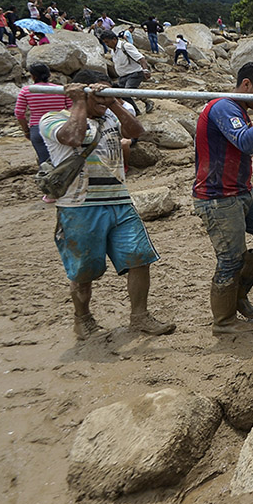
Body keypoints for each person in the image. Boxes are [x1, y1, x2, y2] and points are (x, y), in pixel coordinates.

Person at [39, 71, 175, 340]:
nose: (102, 98)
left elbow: (137, 132)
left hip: (119, 201)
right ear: (82, 93)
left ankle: (139, 317)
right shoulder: (52, 119)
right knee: (84, 268)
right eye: (97, 95)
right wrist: (79, 102)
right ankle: (83, 319)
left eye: (107, 92)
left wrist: (113, 102)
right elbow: (73, 138)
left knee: (140, 257)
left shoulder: (110, 115)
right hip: (79, 206)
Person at [193, 61, 253, 335]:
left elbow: (238, 150)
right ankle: (223, 322)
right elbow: (246, 142)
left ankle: (238, 296)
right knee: (230, 258)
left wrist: (246, 181)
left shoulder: (238, 110)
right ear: (246, 85)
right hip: (217, 197)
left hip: (241, 191)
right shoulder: (224, 107)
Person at [14, 63, 72, 175]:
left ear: (33, 76)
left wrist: (26, 130)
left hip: (37, 128)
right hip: (59, 127)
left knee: (45, 162)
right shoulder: (60, 90)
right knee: (63, 158)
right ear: (49, 75)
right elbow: (71, 109)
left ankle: (49, 188)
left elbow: (19, 113)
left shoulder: (27, 91)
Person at [101, 29, 153, 115]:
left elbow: (141, 58)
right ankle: (138, 108)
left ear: (114, 39)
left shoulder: (125, 46)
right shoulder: (113, 51)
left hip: (134, 73)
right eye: (105, 43)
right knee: (121, 93)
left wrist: (145, 70)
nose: (107, 44)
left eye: (107, 42)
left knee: (127, 92)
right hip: (123, 76)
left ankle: (143, 105)